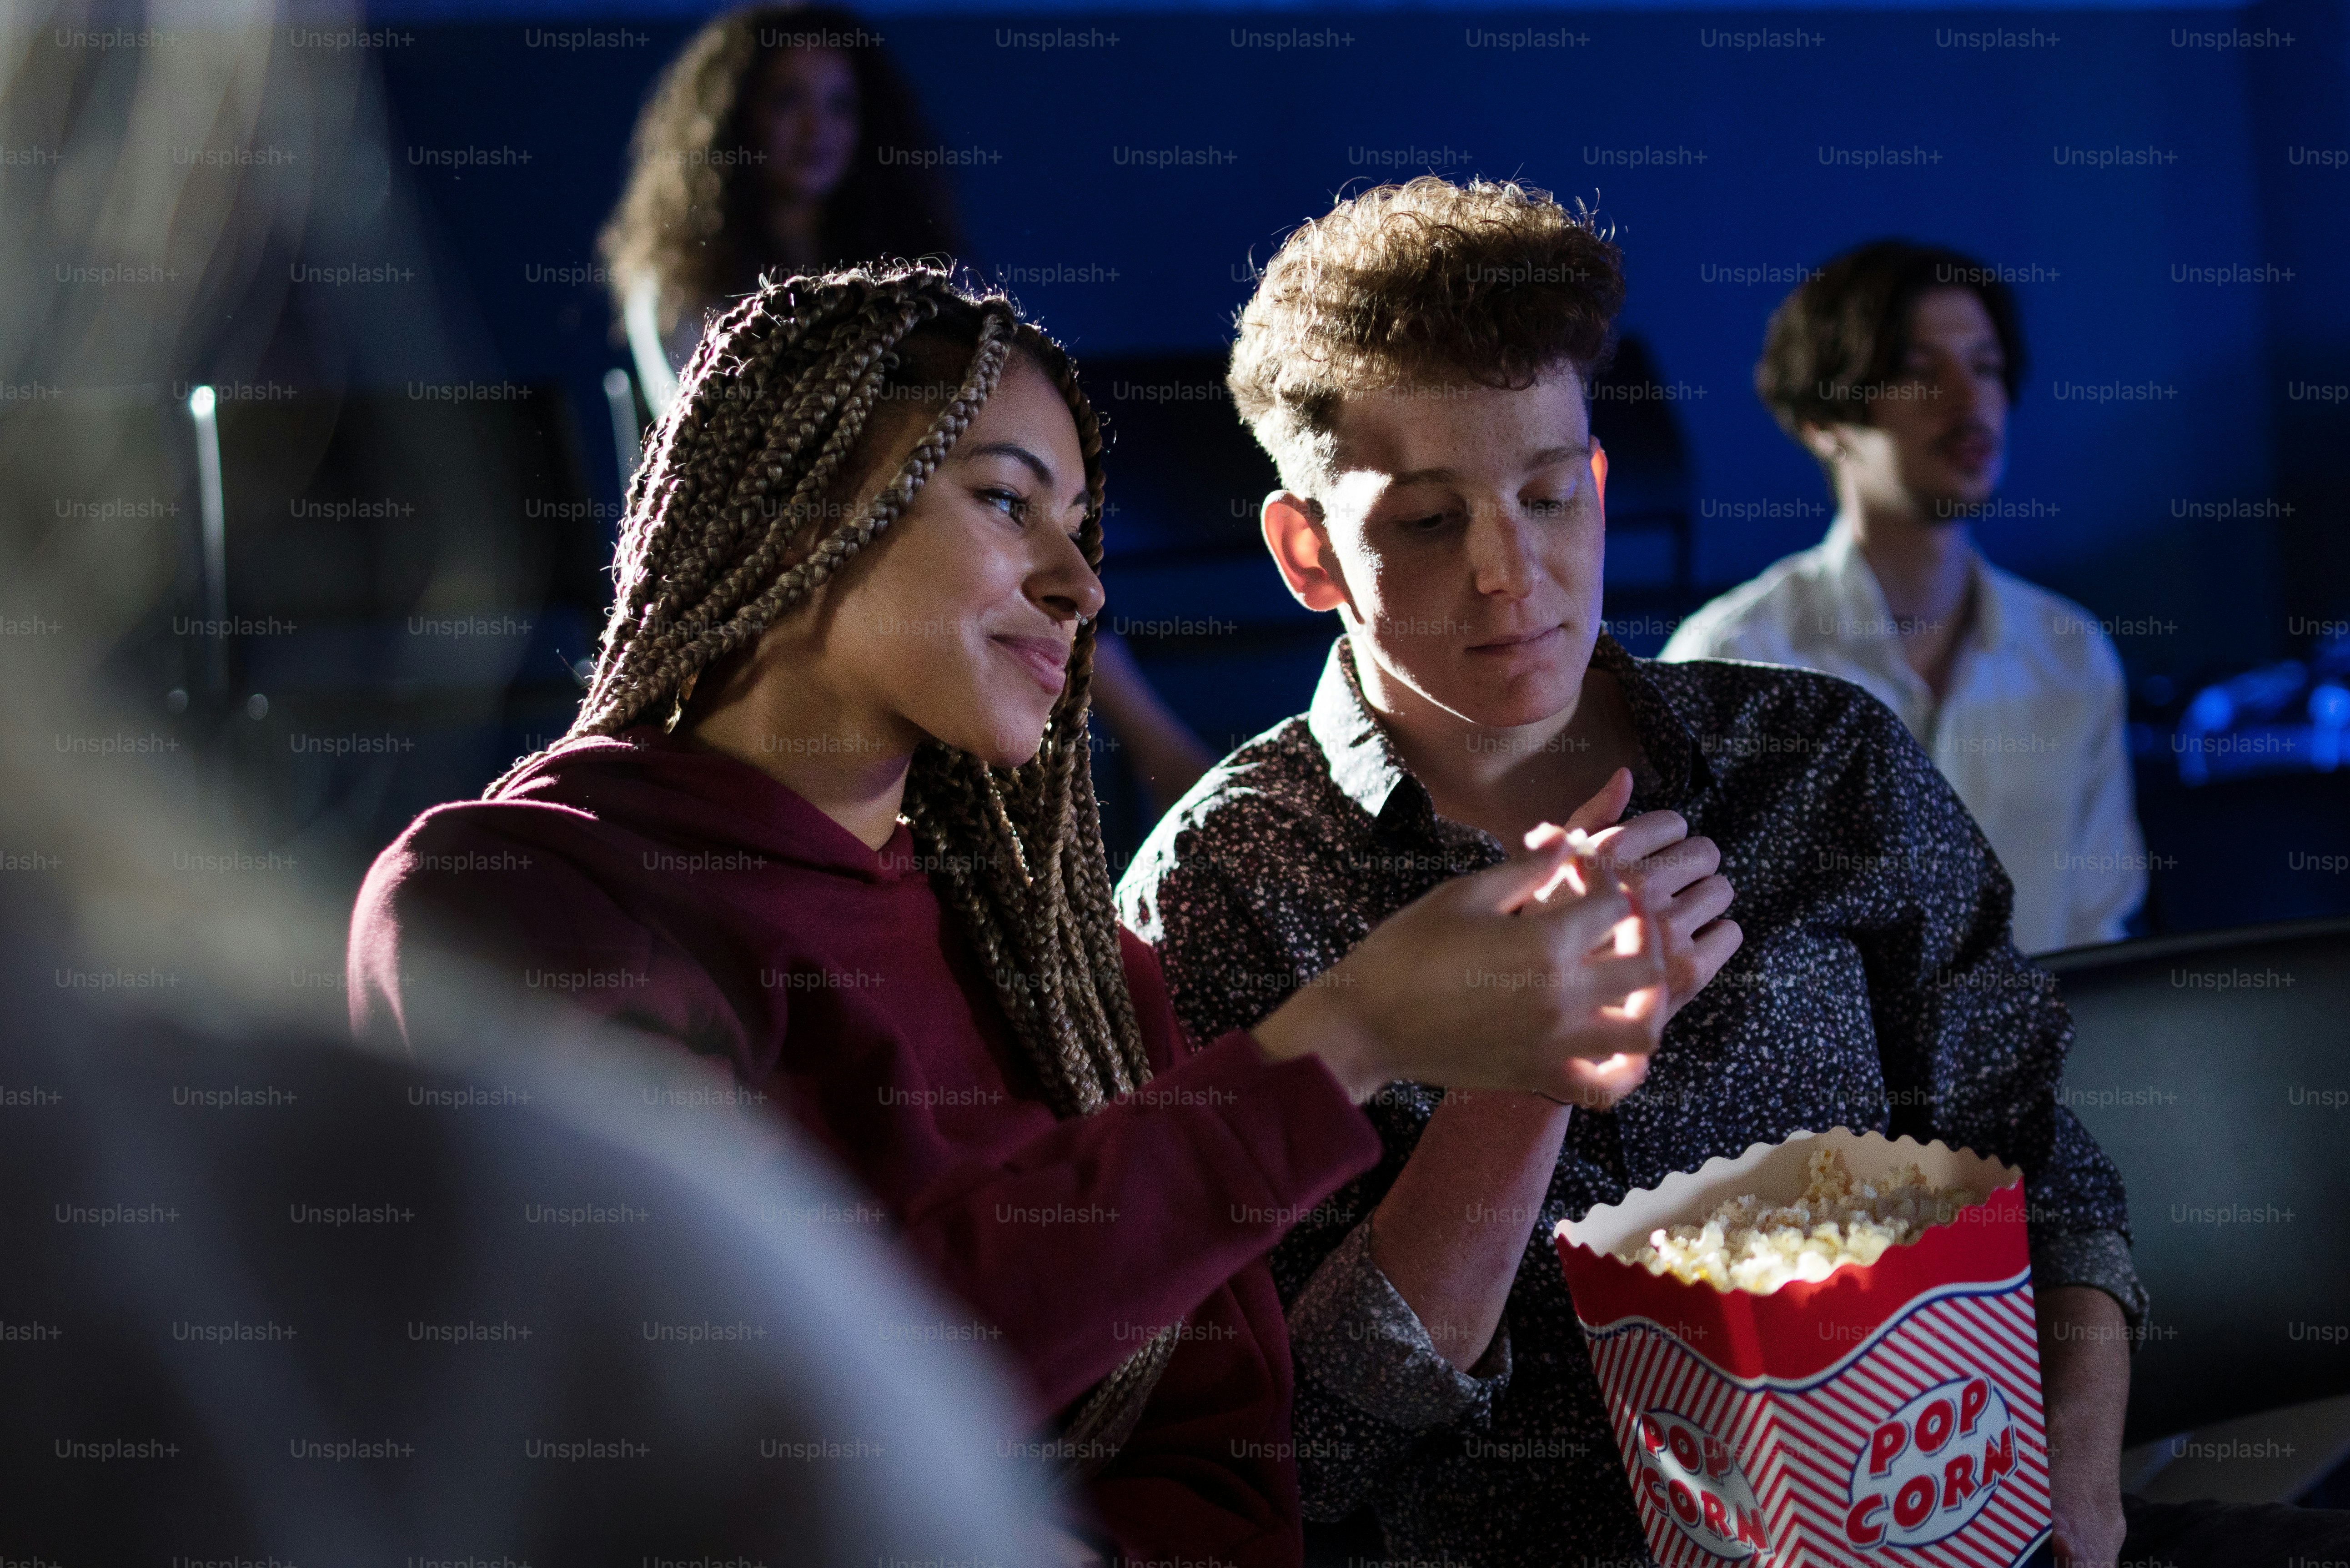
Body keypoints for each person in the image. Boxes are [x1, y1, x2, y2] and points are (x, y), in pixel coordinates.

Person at [349, 267, 1676, 1565]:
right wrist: (1347, 1035)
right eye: (1005, 502)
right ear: (810, 508)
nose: (1081, 586)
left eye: (1080, 527)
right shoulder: (511, 901)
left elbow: (1227, 1466)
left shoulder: (1083, 975)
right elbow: (749, 1394)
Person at [1112, 176, 2282, 1568]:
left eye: (1548, 497)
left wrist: (2078, 1509)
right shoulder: (1224, 881)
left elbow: (2045, 1167)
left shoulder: (1815, 759)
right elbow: (1290, 1456)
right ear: (1310, 552)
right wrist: (1523, 1073)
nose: (1510, 573)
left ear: (1595, 485)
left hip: (1958, 1519)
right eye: (1427, 524)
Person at [601, 2, 1216, 815]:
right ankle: (1155, 754)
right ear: (734, 119)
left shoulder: (904, 262)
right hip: (789, 549)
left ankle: (1118, 774)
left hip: (920, 521)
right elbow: (753, 455)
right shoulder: (680, 282)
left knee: (1035, 542)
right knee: (990, 541)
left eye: (840, 105)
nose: (816, 127)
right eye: (787, 100)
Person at [1658, 240, 2146, 955]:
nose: (1970, 399)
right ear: (1824, 420)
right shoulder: (1735, 661)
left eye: (1987, 368)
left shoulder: (2068, 654)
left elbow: (2099, 930)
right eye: (1921, 372)